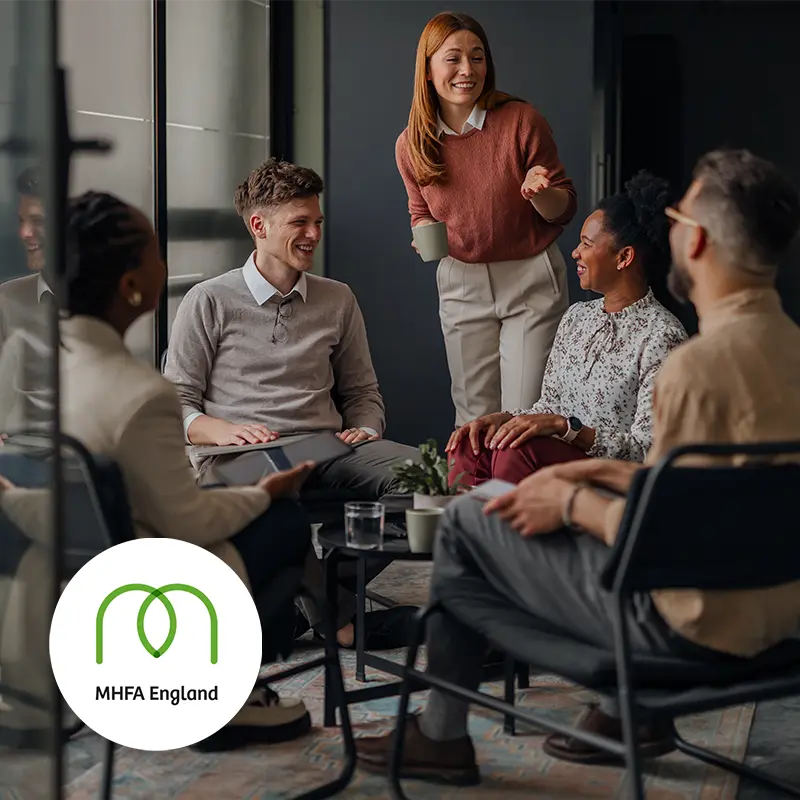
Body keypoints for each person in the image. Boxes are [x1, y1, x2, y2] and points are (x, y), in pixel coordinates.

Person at [355, 148, 800, 782]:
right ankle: (621, 713)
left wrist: (568, 502)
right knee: (502, 486)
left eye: (676, 216)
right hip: (780, 626)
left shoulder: (694, 367)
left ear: (695, 240)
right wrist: (584, 473)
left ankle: (441, 735)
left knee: (466, 524)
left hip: (684, 631)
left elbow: (660, 537)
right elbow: (698, 491)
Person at [2, 191, 319, 749]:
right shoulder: (143, 394)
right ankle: (226, 699)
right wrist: (263, 495)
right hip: (136, 587)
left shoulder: (38, 366)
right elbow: (189, 523)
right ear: (131, 285)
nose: (164, 264)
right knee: (286, 522)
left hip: (59, 559)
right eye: (153, 251)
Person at [163, 157, 420, 650]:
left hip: (326, 448)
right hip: (236, 458)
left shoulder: (338, 299)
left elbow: (363, 393)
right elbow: (175, 401)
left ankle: (320, 604)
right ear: (258, 226)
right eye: (299, 223)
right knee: (274, 500)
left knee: (434, 479)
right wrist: (220, 429)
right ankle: (339, 622)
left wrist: (365, 428)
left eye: (317, 221)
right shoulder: (208, 300)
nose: (313, 234)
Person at [446, 172, 687, 487]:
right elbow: (547, 407)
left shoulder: (662, 335)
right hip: (554, 457)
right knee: (470, 444)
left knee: (516, 453)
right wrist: (503, 419)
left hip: (610, 477)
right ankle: (470, 532)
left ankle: (509, 533)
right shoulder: (576, 317)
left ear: (624, 257)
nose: (575, 252)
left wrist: (568, 429)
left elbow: (647, 450)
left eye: (586, 244)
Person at [396, 12, 577, 426]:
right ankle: (475, 493)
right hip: (461, 281)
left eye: (477, 58)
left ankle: (521, 493)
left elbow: (564, 207)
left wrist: (541, 192)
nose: (467, 70)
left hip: (530, 277)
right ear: (427, 69)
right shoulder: (412, 144)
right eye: (453, 58)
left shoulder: (521, 121)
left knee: (523, 416)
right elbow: (420, 212)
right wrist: (421, 231)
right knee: (472, 417)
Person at [0, 168, 53, 436]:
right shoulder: (6, 301)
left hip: (92, 458)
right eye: (22, 221)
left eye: (37, 221)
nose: (25, 232)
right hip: (18, 457)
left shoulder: (105, 301)